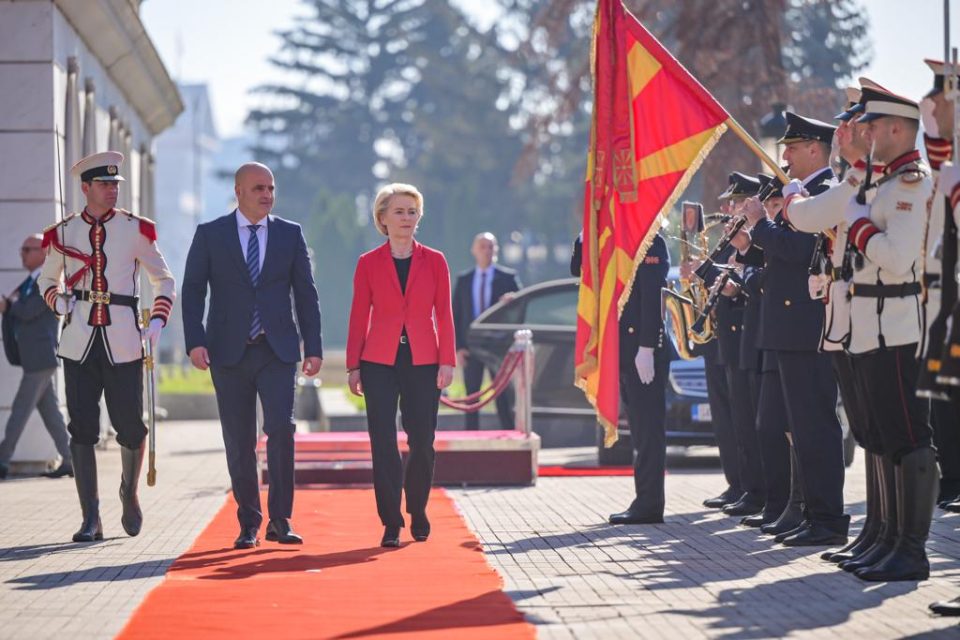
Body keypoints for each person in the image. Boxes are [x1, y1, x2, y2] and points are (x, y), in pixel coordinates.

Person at [182, 162, 323, 550]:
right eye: (259, 187)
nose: (267, 194)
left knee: (281, 429)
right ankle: (249, 523)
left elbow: (305, 293)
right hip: (228, 353)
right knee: (239, 440)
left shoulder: (289, 234)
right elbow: (192, 290)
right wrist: (194, 340)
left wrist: (313, 347)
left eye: (271, 188)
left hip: (277, 351)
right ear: (239, 191)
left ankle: (280, 519)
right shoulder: (211, 235)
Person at [37, 151, 176, 542]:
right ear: (85, 188)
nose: (112, 190)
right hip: (79, 341)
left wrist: (159, 320)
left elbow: (163, 280)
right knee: (81, 429)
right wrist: (57, 300)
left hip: (124, 341)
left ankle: (129, 492)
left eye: (115, 184)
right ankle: (90, 518)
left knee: (130, 426)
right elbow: (47, 280)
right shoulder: (63, 232)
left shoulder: (135, 229)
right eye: (104, 184)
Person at [739, 112, 849, 547]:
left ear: (815, 150)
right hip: (790, 326)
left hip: (807, 326)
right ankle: (813, 513)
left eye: (792, 147)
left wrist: (760, 226)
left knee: (816, 426)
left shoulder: (821, 192)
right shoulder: (800, 195)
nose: (784, 155)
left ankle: (827, 518)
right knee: (800, 428)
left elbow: (800, 247)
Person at [346, 183, 455, 547]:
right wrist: (352, 365)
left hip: (424, 359)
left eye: (412, 212)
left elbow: (445, 314)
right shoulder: (368, 263)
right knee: (383, 441)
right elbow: (359, 314)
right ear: (382, 218)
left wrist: (448, 360)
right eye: (399, 211)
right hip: (378, 360)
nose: (406, 218)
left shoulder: (436, 260)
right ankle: (390, 521)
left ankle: (418, 508)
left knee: (422, 440)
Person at [572, 229, 671, 524]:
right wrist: (584, 235)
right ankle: (645, 500)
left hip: (643, 350)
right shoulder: (607, 239)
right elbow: (579, 270)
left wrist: (647, 346)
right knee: (639, 430)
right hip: (622, 349)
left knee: (649, 431)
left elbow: (653, 296)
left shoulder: (650, 239)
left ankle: (650, 504)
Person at [0, 234, 72, 479]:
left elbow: (28, 311)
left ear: (43, 253)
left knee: (20, 410)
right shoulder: (29, 282)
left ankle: (2, 460)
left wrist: (8, 307)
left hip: (41, 359)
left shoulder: (49, 281)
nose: (22, 253)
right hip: (35, 358)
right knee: (51, 414)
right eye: (22, 249)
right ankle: (71, 460)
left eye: (27, 249)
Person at [452, 232, 521, 430]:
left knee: (503, 395)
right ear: (474, 250)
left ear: (496, 250)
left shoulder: (508, 278)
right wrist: (459, 347)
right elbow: (455, 315)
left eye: (491, 246)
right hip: (471, 345)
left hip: (498, 345)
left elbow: (519, 310)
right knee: (471, 395)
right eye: (482, 246)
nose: (487, 251)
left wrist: (511, 302)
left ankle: (509, 435)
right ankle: (470, 438)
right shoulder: (464, 279)